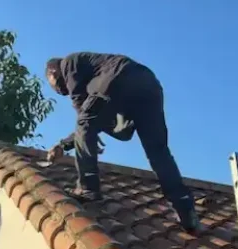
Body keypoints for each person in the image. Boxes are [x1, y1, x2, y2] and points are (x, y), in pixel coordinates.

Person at [45, 52, 199, 232]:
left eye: (54, 86)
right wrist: (66, 144)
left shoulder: (68, 64)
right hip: (148, 85)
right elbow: (92, 113)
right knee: (158, 152)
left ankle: (88, 188)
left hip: (121, 77)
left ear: (52, 73)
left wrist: (88, 133)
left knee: (86, 121)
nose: (59, 91)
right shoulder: (93, 71)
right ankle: (185, 208)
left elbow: (84, 114)